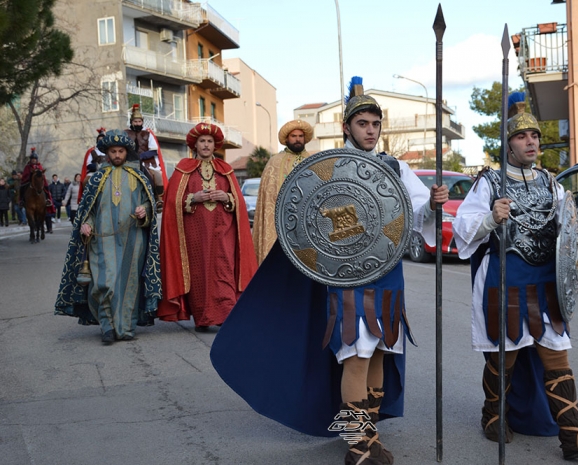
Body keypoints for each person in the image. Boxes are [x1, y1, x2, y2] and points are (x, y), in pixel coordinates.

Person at [210, 77, 448, 465]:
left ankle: (369, 433)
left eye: (375, 124)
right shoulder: (330, 167)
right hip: (347, 278)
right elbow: (307, 223)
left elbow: (415, 217)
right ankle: (356, 445)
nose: (370, 131)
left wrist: (434, 207)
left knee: (380, 355)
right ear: (347, 127)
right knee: (356, 354)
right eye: (363, 124)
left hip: (387, 276)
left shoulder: (396, 168)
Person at [451, 107, 578, 460]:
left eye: (535, 136)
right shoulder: (489, 182)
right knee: (503, 357)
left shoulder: (550, 183)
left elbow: (567, 235)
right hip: (505, 279)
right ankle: (493, 415)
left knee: (556, 355)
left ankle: (573, 435)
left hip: (544, 283)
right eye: (522, 136)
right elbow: (464, 226)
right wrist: (492, 218)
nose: (531, 142)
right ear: (508, 145)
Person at [55, 130, 161, 344]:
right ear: (106, 153)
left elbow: (150, 204)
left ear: (126, 152)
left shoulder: (139, 177)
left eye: (121, 151)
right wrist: (86, 224)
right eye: (113, 151)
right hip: (102, 240)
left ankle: (126, 328)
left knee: (129, 285)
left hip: (134, 239)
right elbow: (89, 210)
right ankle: (107, 326)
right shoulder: (96, 179)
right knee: (104, 282)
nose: (117, 155)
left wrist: (144, 210)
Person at [158, 122, 256, 332]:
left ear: (215, 145)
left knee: (224, 270)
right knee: (200, 273)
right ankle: (203, 318)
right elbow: (172, 202)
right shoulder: (183, 169)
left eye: (209, 141)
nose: (205, 145)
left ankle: (225, 316)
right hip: (195, 234)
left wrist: (226, 196)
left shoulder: (226, 170)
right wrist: (194, 197)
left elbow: (238, 202)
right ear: (195, 144)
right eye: (202, 141)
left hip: (223, 232)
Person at [253, 119, 314, 264]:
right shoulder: (274, 162)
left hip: (307, 220)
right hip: (279, 221)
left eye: (300, 136)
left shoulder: (313, 160)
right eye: (294, 136)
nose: (298, 139)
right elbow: (268, 196)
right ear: (287, 139)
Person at [78, 127, 107, 201]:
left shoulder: (109, 151)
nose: (101, 141)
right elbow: (88, 165)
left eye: (103, 140)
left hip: (107, 171)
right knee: (85, 181)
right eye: (99, 140)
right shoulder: (92, 151)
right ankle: (87, 199)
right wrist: (98, 167)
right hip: (94, 172)